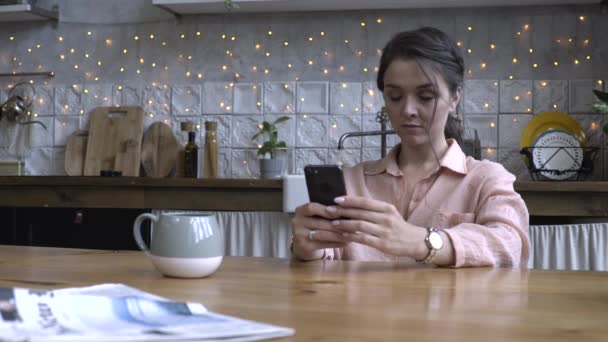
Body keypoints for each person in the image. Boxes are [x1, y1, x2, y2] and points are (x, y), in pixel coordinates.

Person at [291, 27, 530, 267]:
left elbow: (509, 244)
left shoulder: (486, 180)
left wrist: (422, 240)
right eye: (395, 97)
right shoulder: (352, 183)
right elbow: (326, 262)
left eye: (426, 97)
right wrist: (309, 248)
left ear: (455, 97)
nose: (408, 110)